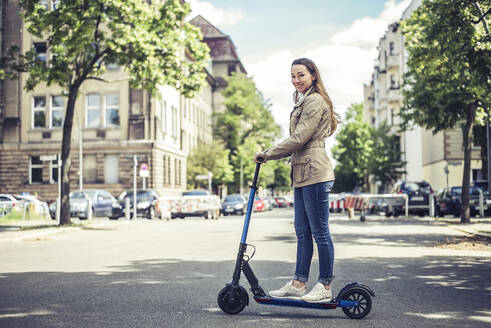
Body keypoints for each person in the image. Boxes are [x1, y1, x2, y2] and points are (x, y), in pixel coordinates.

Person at [254, 57, 339, 303]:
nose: (296, 80)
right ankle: (299, 283)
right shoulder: (305, 100)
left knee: (320, 231)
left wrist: (267, 155)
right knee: (302, 231)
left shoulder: (315, 101)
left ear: (313, 74)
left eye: (300, 75)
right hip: (302, 171)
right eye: (292, 76)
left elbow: (299, 138)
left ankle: (325, 285)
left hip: (314, 171)